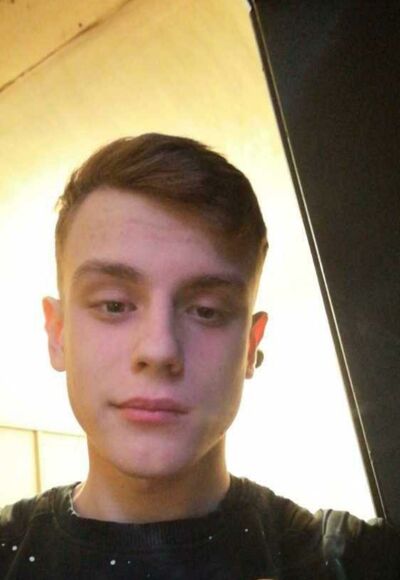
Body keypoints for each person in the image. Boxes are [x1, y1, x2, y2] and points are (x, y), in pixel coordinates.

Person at [0, 134, 399, 579]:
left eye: (206, 311)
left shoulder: (349, 563)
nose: (159, 350)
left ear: (249, 347)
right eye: (114, 305)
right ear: (58, 334)